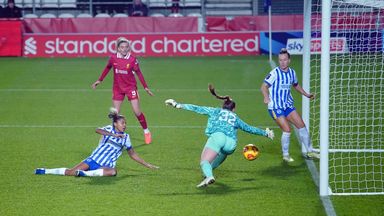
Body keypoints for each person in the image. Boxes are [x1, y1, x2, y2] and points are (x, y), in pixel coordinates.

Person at [165, 84, 274, 188]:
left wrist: (177, 105)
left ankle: (209, 176)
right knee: (221, 153)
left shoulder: (215, 111)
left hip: (218, 137)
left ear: (223, 106)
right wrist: (266, 133)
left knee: (204, 161)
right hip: (231, 144)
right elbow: (249, 128)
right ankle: (207, 174)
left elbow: (196, 108)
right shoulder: (236, 118)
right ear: (234, 109)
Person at [35, 108, 158, 177]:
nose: (124, 125)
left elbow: (132, 154)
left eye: (125, 123)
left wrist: (147, 164)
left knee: (113, 172)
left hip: (107, 165)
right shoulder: (109, 129)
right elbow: (97, 130)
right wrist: (113, 134)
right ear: (115, 123)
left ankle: (85, 174)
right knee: (70, 172)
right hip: (94, 159)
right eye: (122, 123)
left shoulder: (126, 137)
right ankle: (45, 170)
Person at [260, 48, 320, 163]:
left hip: (287, 105)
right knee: (287, 130)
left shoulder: (292, 73)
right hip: (275, 107)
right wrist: (266, 97)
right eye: (280, 60)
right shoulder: (274, 73)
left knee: (301, 126)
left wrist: (306, 94)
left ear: (289, 60)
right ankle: (286, 155)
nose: (282, 62)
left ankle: (310, 151)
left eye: (284, 60)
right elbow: (263, 86)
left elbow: (296, 85)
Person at [91, 37, 154, 144]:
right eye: (122, 47)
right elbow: (107, 68)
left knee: (137, 112)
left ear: (128, 48)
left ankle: (146, 131)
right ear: (118, 49)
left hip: (130, 88)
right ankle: (116, 135)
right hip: (118, 88)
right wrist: (99, 80)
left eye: (126, 47)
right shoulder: (113, 58)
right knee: (116, 114)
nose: (124, 49)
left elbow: (139, 73)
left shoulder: (133, 59)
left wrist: (146, 87)